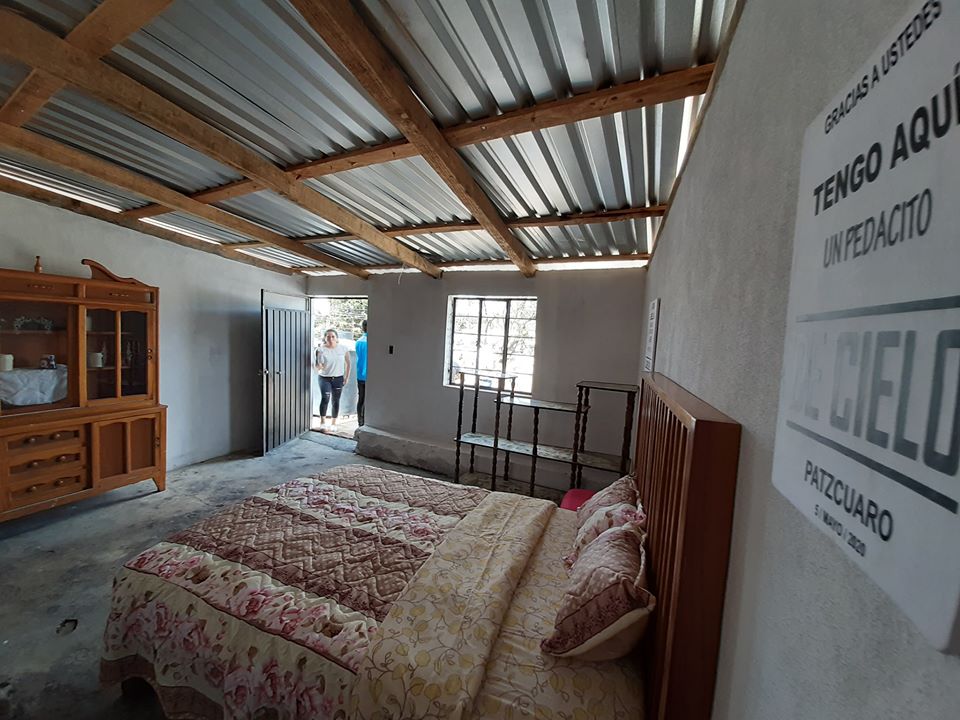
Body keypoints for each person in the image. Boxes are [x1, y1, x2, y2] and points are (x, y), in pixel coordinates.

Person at [316, 328, 350, 431]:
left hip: (338, 378)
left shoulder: (343, 349)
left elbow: (348, 363)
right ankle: (322, 422)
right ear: (325, 338)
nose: (330, 339)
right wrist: (319, 365)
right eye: (328, 337)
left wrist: (346, 377)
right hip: (325, 378)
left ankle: (334, 423)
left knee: (336, 400)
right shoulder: (321, 349)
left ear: (336, 338)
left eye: (333, 336)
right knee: (325, 398)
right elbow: (319, 366)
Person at [355, 319, 368, 426]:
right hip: (369, 375)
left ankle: (360, 422)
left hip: (360, 374)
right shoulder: (372, 342)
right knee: (369, 400)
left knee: (361, 399)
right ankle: (367, 422)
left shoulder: (359, 341)